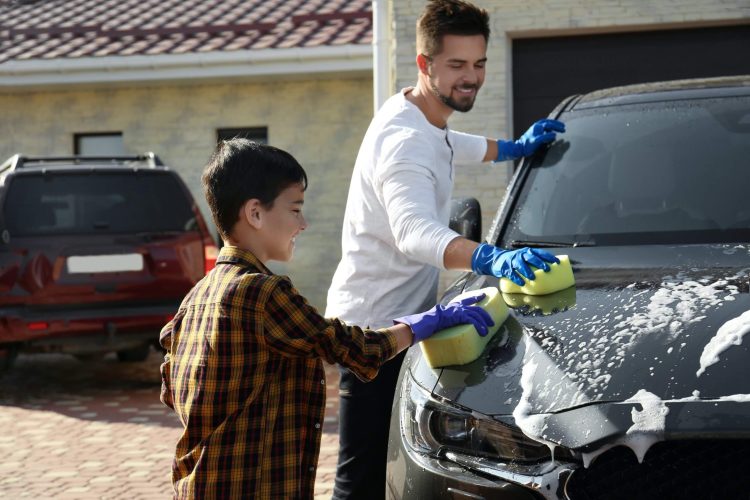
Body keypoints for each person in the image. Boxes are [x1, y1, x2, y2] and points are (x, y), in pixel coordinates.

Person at [158, 139, 495, 499]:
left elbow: (170, 388)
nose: (303, 223)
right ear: (255, 213)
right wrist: (424, 324)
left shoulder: (197, 296)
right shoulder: (261, 293)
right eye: (295, 209)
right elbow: (353, 348)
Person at [325, 0, 565, 497]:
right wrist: (490, 257)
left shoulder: (423, 116)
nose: (471, 77)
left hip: (403, 324)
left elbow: (458, 144)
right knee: (361, 478)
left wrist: (513, 148)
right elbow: (413, 230)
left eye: (478, 63)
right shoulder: (404, 140)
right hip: (370, 331)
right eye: (456, 65)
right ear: (424, 64)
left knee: (391, 468)